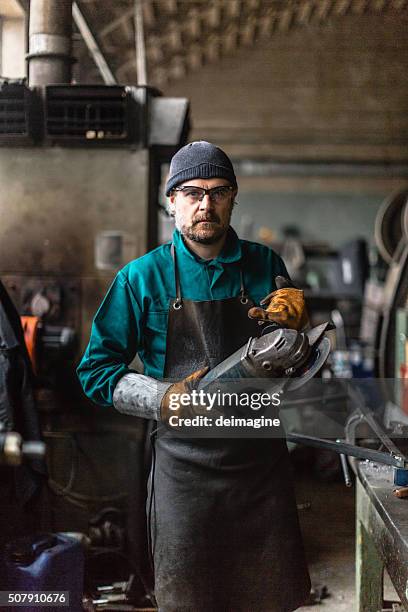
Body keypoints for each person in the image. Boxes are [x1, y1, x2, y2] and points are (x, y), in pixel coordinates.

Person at [77, 141, 311, 611]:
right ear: (172, 202)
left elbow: (295, 367)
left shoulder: (265, 266)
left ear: (233, 198)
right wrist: (161, 398)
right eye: (192, 192)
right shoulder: (140, 279)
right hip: (185, 471)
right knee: (190, 599)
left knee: (269, 598)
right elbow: (96, 371)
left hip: (260, 466)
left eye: (219, 191)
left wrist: (299, 332)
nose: (206, 204)